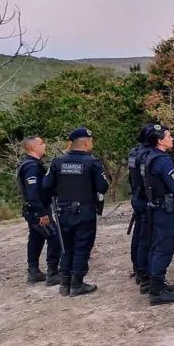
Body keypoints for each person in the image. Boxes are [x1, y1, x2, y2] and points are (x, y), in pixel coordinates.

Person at [42, 127, 109, 296]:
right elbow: (103, 186)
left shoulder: (57, 162)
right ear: (86, 143)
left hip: (63, 211)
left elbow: (46, 185)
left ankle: (65, 283)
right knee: (82, 247)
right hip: (84, 211)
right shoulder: (92, 162)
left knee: (67, 247)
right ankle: (77, 284)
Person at [142, 124, 174, 305]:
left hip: (154, 206)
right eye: (169, 136)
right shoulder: (162, 160)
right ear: (160, 141)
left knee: (156, 245)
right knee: (164, 247)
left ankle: (156, 282)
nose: (172, 139)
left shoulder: (149, 157)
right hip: (164, 209)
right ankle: (157, 290)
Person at [16, 136, 62, 285]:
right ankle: (52, 272)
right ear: (33, 148)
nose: (45, 145)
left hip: (34, 210)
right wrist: (42, 213)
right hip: (37, 210)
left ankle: (33, 272)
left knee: (36, 238)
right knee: (54, 236)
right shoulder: (31, 166)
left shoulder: (32, 163)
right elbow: (33, 193)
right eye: (41, 143)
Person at [126, 124, 153, 287]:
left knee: (139, 234)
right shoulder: (148, 154)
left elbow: (131, 177)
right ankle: (145, 273)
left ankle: (138, 267)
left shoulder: (134, 152)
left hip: (137, 195)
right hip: (145, 198)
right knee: (146, 238)